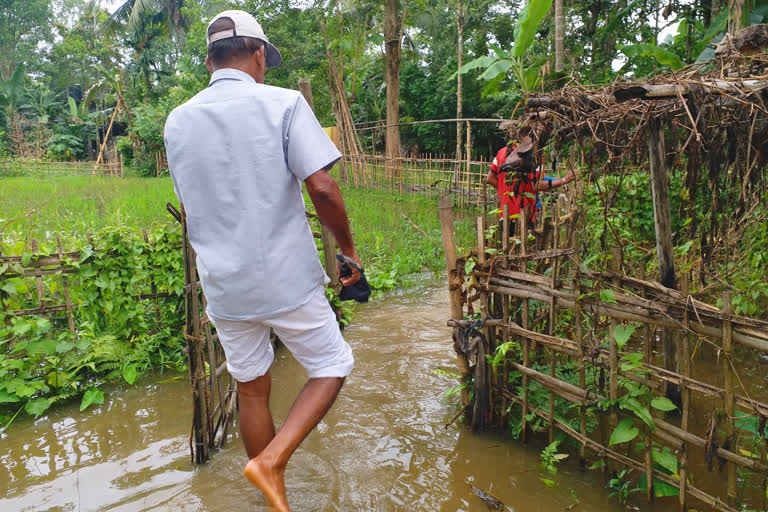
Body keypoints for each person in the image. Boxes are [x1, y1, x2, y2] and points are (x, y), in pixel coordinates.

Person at [163, 10, 360, 512]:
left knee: (251, 390)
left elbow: (189, 208)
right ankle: (272, 462)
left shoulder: (177, 121)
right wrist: (348, 252)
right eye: (264, 61)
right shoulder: (284, 104)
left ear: (209, 62)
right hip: (285, 279)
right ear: (256, 55)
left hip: (225, 288)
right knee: (333, 364)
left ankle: (274, 496)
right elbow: (322, 186)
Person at [486, 139, 579, 235]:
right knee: (525, 246)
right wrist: (563, 180)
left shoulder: (501, 153)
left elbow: (490, 178)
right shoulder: (534, 155)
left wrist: (506, 190)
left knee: (506, 244)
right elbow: (535, 185)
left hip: (505, 212)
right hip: (525, 213)